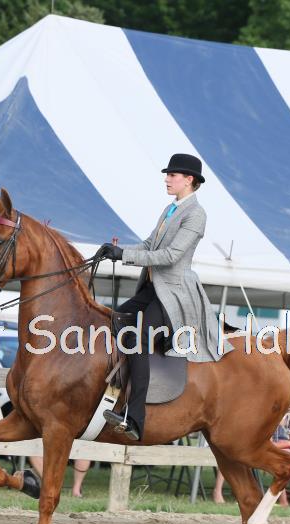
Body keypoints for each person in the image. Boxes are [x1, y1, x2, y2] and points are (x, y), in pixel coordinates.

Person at [94, 154, 223, 441]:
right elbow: (150, 244)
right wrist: (117, 253)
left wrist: (126, 256)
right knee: (113, 321)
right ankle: (111, 392)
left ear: (188, 180)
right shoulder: (170, 209)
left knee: (138, 337)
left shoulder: (196, 214)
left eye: (172, 175)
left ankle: (135, 416)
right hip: (152, 289)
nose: (166, 179)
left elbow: (170, 256)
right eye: (168, 175)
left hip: (174, 294)